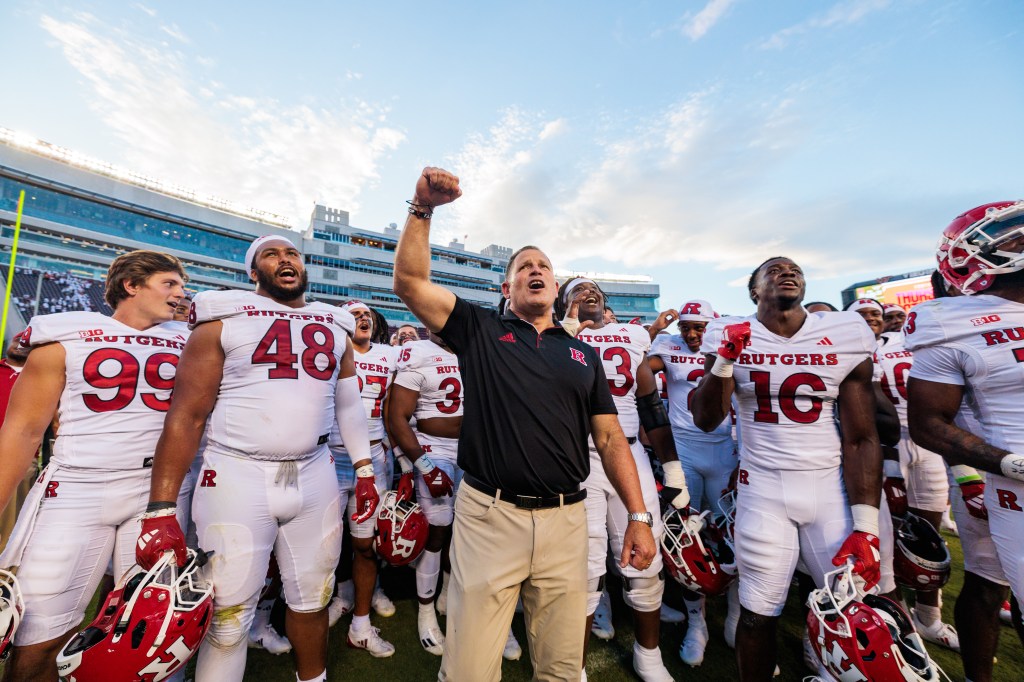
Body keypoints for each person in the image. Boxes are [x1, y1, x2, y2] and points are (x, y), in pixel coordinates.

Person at [393, 167, 656, 682]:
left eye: (544, 266)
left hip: (567, 519)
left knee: (561, 669)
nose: (535, 270)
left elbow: (608, 437)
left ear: (555, 287)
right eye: (524, 265)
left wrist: (640, 515)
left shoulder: (582, 353)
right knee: (469, 670)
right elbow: (410, 282)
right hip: (490, 516)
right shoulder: (481, 328)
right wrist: (422, 208)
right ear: (507, 284)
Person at [135, 235, 379, 682]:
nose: (285, 259)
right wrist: (161, 506)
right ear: (252, 272)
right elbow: (187, 414)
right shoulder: (223, 318)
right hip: (236, 472)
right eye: (271, 254)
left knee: (313, 597)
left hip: (315, 470)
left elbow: (348, 404)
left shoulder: (334, 323)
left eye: (292, 254)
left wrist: (365, 471)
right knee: (228, 614)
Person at [691, 256, 882, 682]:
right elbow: (705, 418)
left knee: (852, 614)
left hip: (829, 488)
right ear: (754, 290)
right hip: (763, 489)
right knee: (759, 614)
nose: (786, 273)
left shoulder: (844, 332)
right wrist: (724, 359)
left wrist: (867, 525)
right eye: (772, 270)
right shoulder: (730, 331)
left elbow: (862, 436)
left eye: (793, 269)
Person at [0, 251, 188, 682]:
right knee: (39, 635)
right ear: (131, 285)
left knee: (144, 633)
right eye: (169, 283)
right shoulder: (65, 333)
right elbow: (25, 430)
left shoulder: (189, 338)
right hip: (78, 488)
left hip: (157, 489)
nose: (180, 294)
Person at [906, 201, 1024, 663]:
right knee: (986, 581)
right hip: (1012, 485)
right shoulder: (949, 320)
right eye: (1011, 233)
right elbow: (928, 422)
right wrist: (1005, 463)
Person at [556, 278, 688, 681]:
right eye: (577, 289)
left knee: (647, 562)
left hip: (630, 454)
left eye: (594, 288)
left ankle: (648, 655)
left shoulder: (631, 336)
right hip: (579, 460)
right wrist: (564, 337)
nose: (588, 292)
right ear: (564, 303)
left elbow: (650, 404)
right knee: (585, 568)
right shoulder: (553, 337)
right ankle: (573, 666)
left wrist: (672, 466)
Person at [647, 299, 740, 661]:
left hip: (724, 448)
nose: (691, 334)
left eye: (699, 327)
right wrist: (655, 329)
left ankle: (735, 615)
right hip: (684, 448)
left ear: (712, 326)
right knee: (687, 537)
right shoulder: (668, 346)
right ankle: (696, 621)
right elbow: (637, 363)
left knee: (734, 534)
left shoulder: (728, 348)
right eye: (686, 326)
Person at [326, 299, 398, 657]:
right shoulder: (326, 349)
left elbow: (394, 409)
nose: (362, 318)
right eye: (354, 314)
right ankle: (335, 598)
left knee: (366, 545)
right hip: (328, 456)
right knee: (323, 544)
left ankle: (361, 621)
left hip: (374, 455)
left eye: (367, 315)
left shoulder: (390, 355)